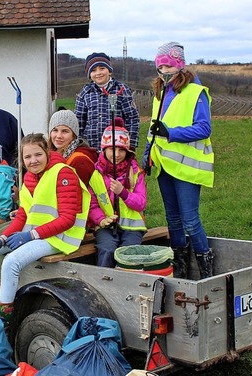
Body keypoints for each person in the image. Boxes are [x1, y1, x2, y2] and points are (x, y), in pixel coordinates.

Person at [0, 133, 89, 328]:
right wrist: (2, 238)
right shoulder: (29, 177)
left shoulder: (63, 173)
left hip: (61, 237)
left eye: (37, 155)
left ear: (46, 152)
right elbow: (22, 215)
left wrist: (30, 236)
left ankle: (2, 322)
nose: (33, 160)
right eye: (27, 157)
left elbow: (68, 219)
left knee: (11, 262)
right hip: (36, 235)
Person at [142, 42, 214, 279]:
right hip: (164, 166)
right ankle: (181, 269)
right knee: (172, 219)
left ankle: (206, 270)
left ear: (180, 66)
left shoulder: (196, 92)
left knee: (190, 219)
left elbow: (204, 128)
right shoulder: (160, 93)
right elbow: (154, 127)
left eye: (168, 65)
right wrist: (147, 154)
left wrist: (172, 133)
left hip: (188, 168)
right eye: (160, 65)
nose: (164, 70)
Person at [89, 125, 147, 267]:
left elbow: (141, 202)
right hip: (106, 227)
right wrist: (102, 220)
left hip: (133, 228)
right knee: (107, 249)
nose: (116, 154)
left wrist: (124, 193)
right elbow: (92, 205)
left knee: (129, 254)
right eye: (112, 149)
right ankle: (103, 280)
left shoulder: (135, 173)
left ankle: (127, 283)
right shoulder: (96, 175)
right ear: (104, 149)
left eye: (121, 150)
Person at [75, 52, 140, 151]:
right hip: (91, 147)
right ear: (89, 75)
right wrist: (78, 144)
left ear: (109, 71)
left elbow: (132, 118)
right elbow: (79, 121)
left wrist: (131, 144)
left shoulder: (122, 90)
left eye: (102, 68)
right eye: (93, 70)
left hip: (116, 147)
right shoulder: (85, 93)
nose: (98, 73)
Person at [47, 109, 98, 184]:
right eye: (55, 130)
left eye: (65, 131)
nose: (59, 136)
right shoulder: (51, 154)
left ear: (73, 135)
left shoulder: (79, 161)